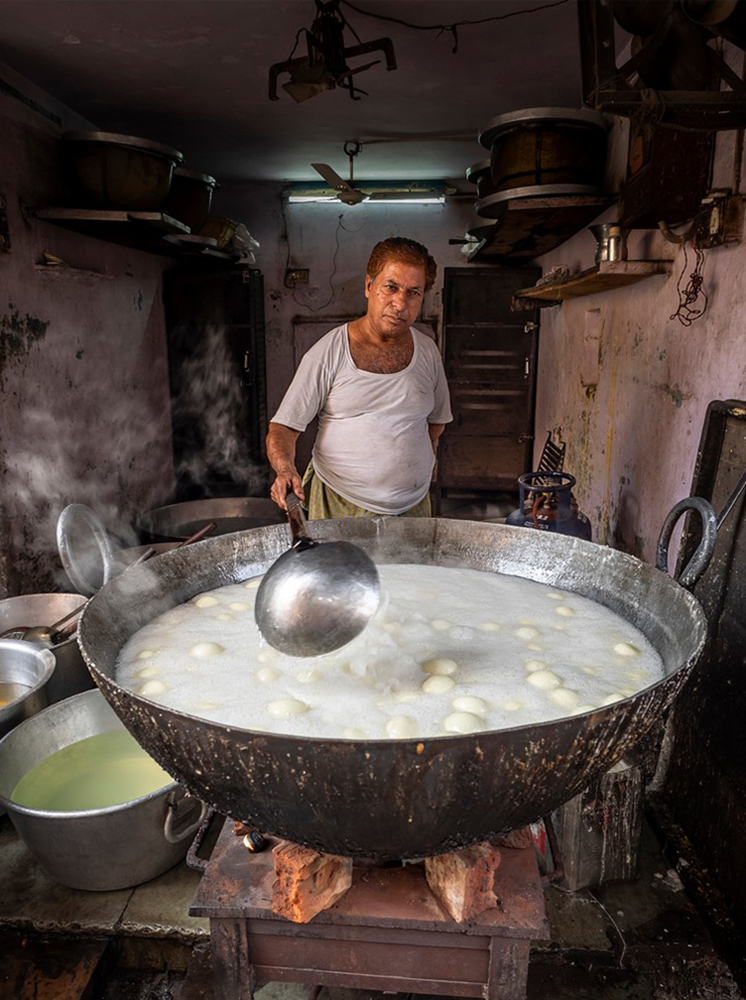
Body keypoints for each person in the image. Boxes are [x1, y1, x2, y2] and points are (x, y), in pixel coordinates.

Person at [267, 237, 452, 519]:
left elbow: (435, 424)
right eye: (391, 287)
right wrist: (285, 469)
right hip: (338, 504)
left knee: (412, 567)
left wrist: (398, 469)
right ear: (369, 286)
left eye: (413, 292)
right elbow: (283, 428)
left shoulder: (427, 351)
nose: (400, 303)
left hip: (412, 508)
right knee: (342, 566)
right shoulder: (329, 351)